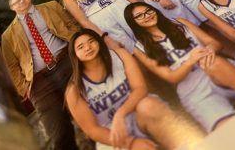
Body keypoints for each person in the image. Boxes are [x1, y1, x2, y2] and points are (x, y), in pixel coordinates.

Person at [124, 2, 235, 132]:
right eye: (139, 16)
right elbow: (171, 77)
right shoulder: (140, 48)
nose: (147, 15)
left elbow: (214, 43)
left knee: (214, 63)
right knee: (226, 127)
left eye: (148, 10)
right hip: (193, 91)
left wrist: (209, 50)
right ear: (133, 22)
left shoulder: (180, 23)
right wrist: (191, 60)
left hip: (219, 72)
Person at [65, 29, 205, 149]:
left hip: (137, 114)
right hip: (112, 133)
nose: (88, 47)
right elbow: (92, 130)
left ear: (99, 42)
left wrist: (120, 114)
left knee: (149, 105)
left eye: (91, 41)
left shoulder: (120, 55)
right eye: (80, 47)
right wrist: (130, 143)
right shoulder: (74, 90)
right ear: (74, 54)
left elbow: (140, 89)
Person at [1, 0, 79, 149]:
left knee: (86, 110)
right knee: (58, 131)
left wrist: (77, 48)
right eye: (17, 2)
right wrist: (24, 88)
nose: (21, 2)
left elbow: (70, 24)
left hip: (67, 63)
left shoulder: (51, 6)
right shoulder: (8, 36)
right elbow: (11, 66)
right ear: (12, 8)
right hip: (39, 81)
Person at [60, 0, 139, 53]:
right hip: (100, 19)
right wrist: (103, 37)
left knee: (142, 34)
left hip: (121, 7)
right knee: (127, 48)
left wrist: (139, 6)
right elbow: (83, 21)